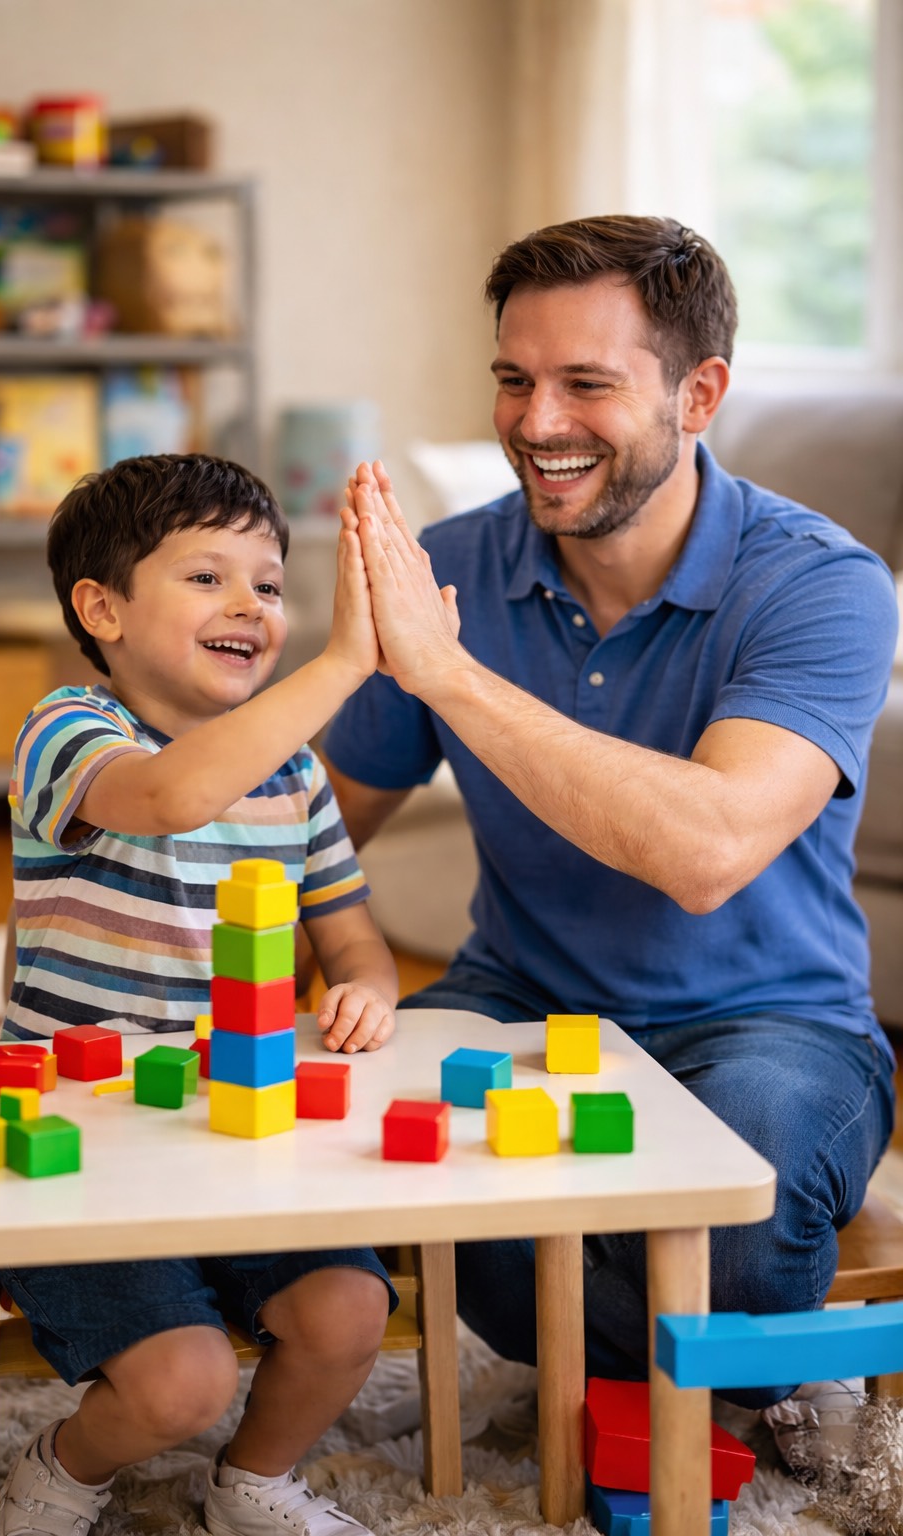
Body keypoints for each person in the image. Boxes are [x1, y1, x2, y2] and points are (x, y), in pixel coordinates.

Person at [321, 215, 899, 1476]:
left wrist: (449, 674)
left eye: (586, 383)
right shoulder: (449, 565)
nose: (537, 421)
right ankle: (738, 1361)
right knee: (374, 1171)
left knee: (733, 1214)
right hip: (515, 997)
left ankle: (704, 1336)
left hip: (769, 1021)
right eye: (513, 379)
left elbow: (707, 850)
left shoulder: (821, 582)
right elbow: (313, 826)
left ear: (700, 393)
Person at [0, 452, 398, 1536]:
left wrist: (365, 990)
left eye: (268, 585)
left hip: (243, 1133)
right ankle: (61, 1466)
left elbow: (356, 939)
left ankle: (252, 1479)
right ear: (103, 608)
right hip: (83, 1152)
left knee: (350, 1308)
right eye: (209, 578)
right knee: (182, 1385)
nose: (251, 608)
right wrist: (345, 663)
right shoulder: (70, 731)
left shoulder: (297, 777)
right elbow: (171, 796)